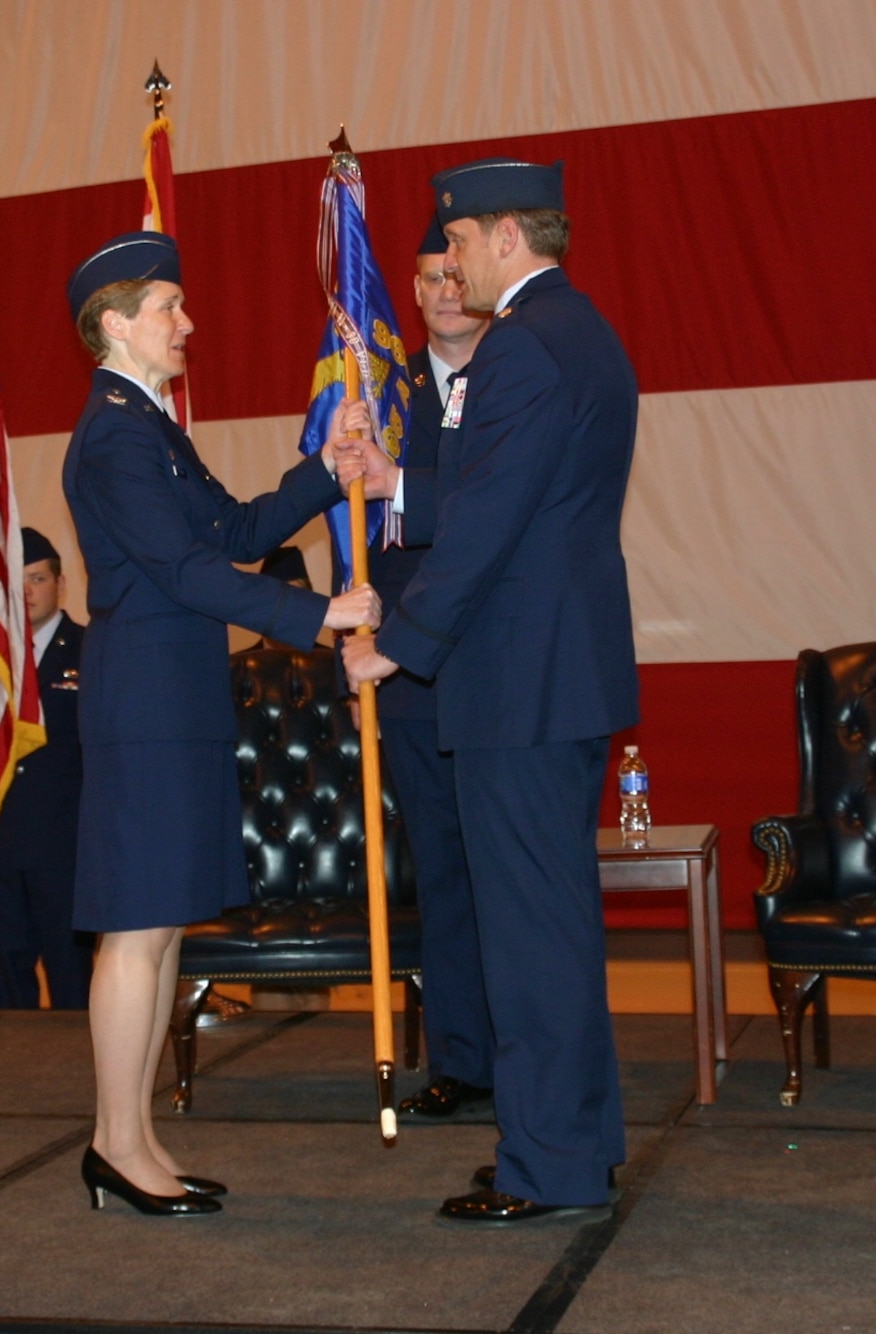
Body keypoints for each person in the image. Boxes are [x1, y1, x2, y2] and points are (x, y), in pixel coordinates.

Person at [61, 231, 384, 1218]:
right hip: (146, 703)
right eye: (168, 306)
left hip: (176, 697)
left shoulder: (147, 425)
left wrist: (325, 468)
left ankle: (134, 1134)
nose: (186, 321)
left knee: (159, 927)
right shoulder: (114, 432)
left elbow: (234, 529)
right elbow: (180, 570)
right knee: (134, 926)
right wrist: (314, 614)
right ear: (114, 324)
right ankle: (115, 1140)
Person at [344, 160, 640, 1226]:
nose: (449, 261)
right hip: (553, 673)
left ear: (505, 235)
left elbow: (487, 523)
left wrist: (399, 641)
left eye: (458, 241)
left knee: (528, 935)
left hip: (516, 679)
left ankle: (546, 1161)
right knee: (551, 925)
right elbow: (503, 487)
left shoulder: (517, 346)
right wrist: (394, 484)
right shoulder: (580, 331)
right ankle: (573, 1136)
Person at [380, 220, 495, 1123]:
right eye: (429, 280)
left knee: (513, 874)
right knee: (445, 879)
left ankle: (529, 1053)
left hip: (499, 669)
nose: (445, 292)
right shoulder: (382, 389)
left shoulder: (518, 377)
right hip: (415, 678)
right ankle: (463, 1060)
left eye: (456, 274)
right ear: (413, 293)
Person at [0, 526, 93, 1010]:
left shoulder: (92, 651)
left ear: (60, 584)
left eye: (37, 579)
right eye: (17, 582)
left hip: (67, 845)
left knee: (73, 977)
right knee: (5, 982)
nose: (27, 592)